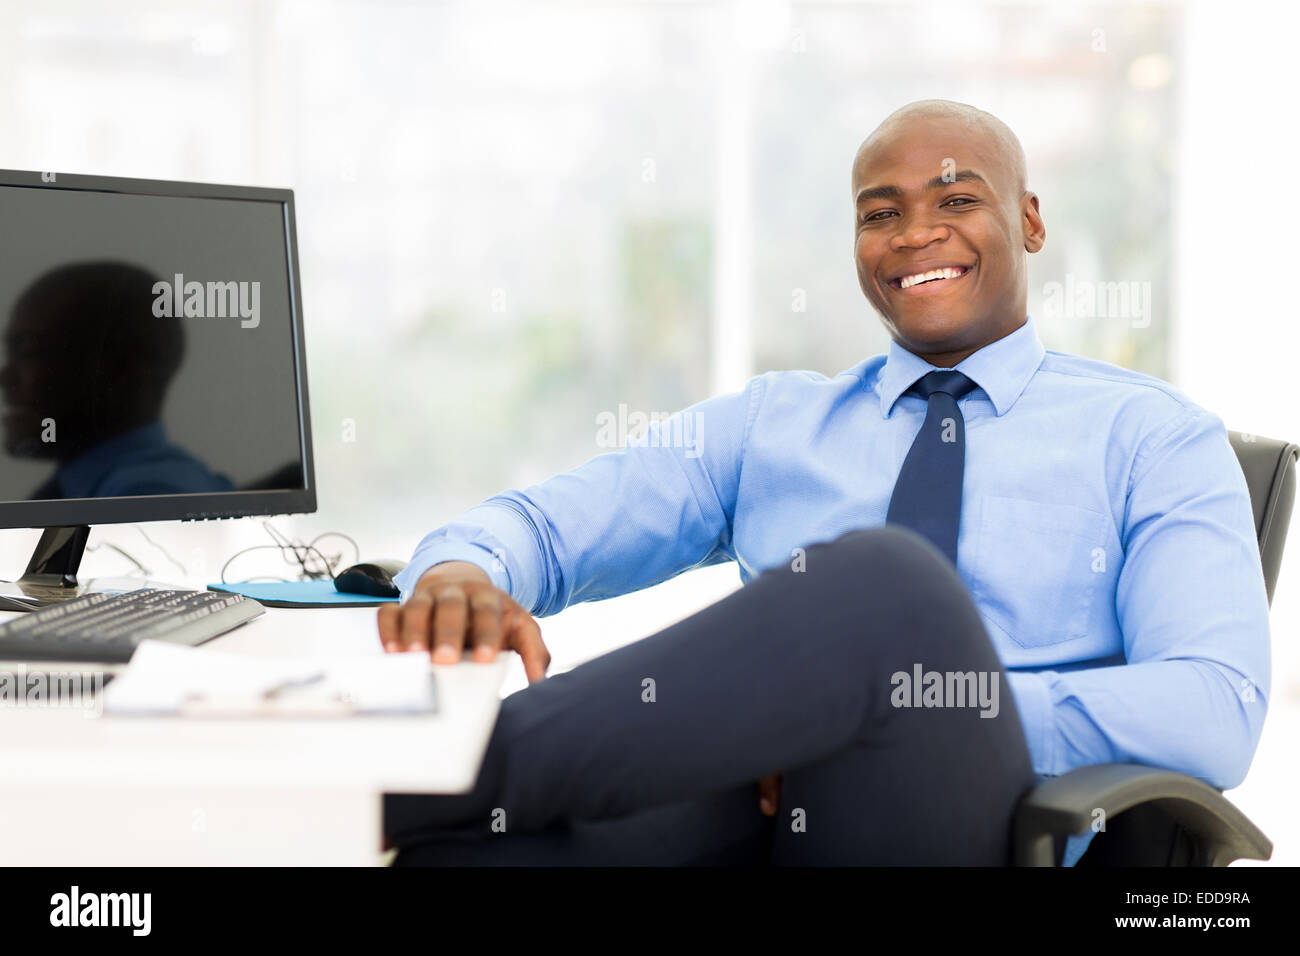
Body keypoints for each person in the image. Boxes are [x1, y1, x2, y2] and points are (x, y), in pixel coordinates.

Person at [378, 99, 1270, 865]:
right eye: (881, 214)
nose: (916, 233)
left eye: (957, 199)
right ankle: (412, 797)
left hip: (990, 829)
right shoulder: (776, 424)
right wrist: (462, 570)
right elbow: (542, 527)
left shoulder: (1152, 436)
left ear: (1030, 221)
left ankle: (391, 780)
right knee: (461, 855)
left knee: (889, 587)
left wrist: (886, 709)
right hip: (759, 813)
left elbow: (1212, 707)